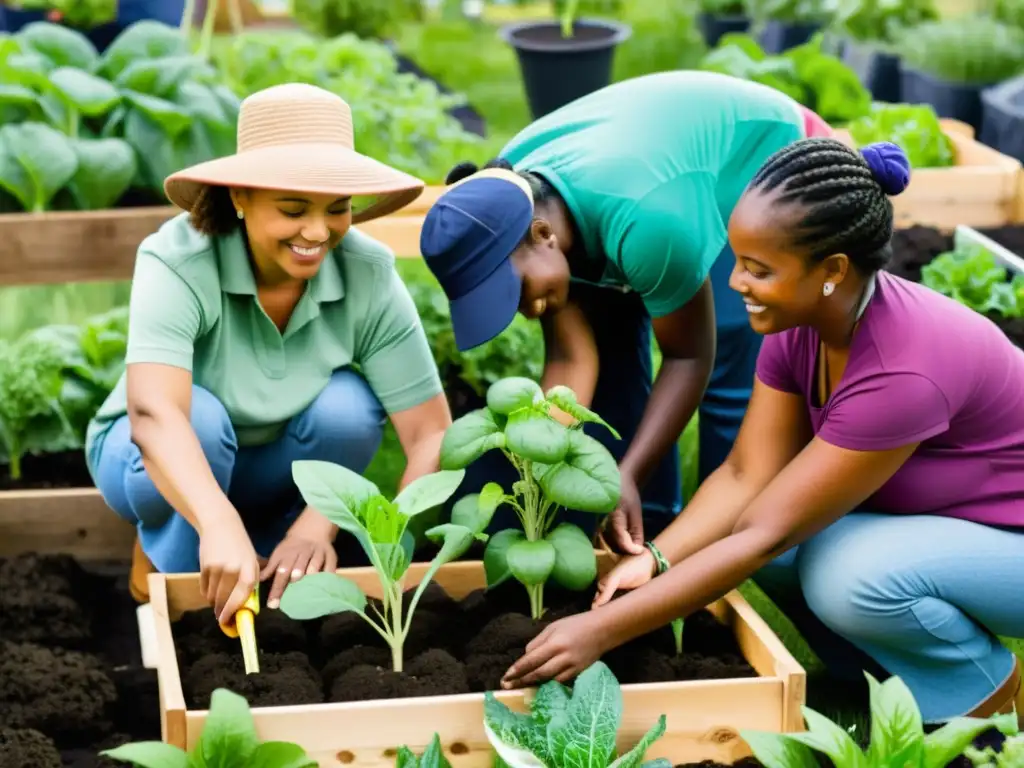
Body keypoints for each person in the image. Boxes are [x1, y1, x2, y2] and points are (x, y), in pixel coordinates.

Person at [498, 137, 1024, 725]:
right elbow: (747, 473)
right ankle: (876, 674)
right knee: (781, 546)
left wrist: (601, 629)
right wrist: (656, 559)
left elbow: (762, 534)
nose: (734, 283)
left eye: (758, 269)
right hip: (956, 527)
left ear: (831, 272)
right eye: (737, 259)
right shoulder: (802, 325)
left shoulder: (903, 368)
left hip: (1011, 544)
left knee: (844, 574)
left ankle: (977, 689)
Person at [418, 71, 834, 554]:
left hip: (767, 160)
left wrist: (629, 472)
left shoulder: (653, 223)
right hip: (646, 180)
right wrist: (535, 460)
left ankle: (722, 542)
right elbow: (574, 360)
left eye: (519, 291)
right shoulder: (511, 196)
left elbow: (687, 357)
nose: (528, 309)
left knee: (727, 358)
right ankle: (649, 526)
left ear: (543, 234)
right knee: (614, 352)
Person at [85, 83, 450, 627]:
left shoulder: (367, 273)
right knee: (201, 421)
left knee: (347, 408)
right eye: (293, 208)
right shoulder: (178, 259)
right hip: (151, 454)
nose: (317, 231)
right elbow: (154, 414)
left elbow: (430, 433)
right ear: (239, 196)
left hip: (275, 455)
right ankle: (171, 560)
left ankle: (271, 543)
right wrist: (215, 522)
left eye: (337, 209)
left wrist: (342, 529)